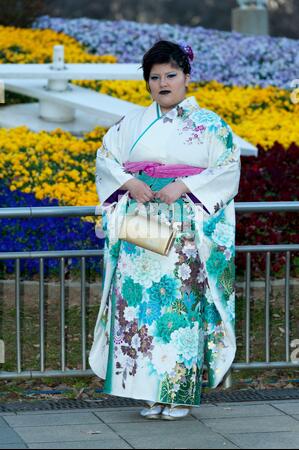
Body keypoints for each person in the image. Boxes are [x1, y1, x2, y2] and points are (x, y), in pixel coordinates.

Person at [89, 40, 241, 420]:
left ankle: (179, 392)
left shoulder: (210, 125)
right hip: (142, 219)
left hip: (186, 224)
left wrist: (185, 186)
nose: (163, 83)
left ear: (187, 78)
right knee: (140, 309)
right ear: (148, 83)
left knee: (179, 310)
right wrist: (128, 183)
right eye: (155, 77)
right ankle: (150, 393)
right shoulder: (133, 123)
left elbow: (227, 167)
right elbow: (106, 157)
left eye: (171, 75)